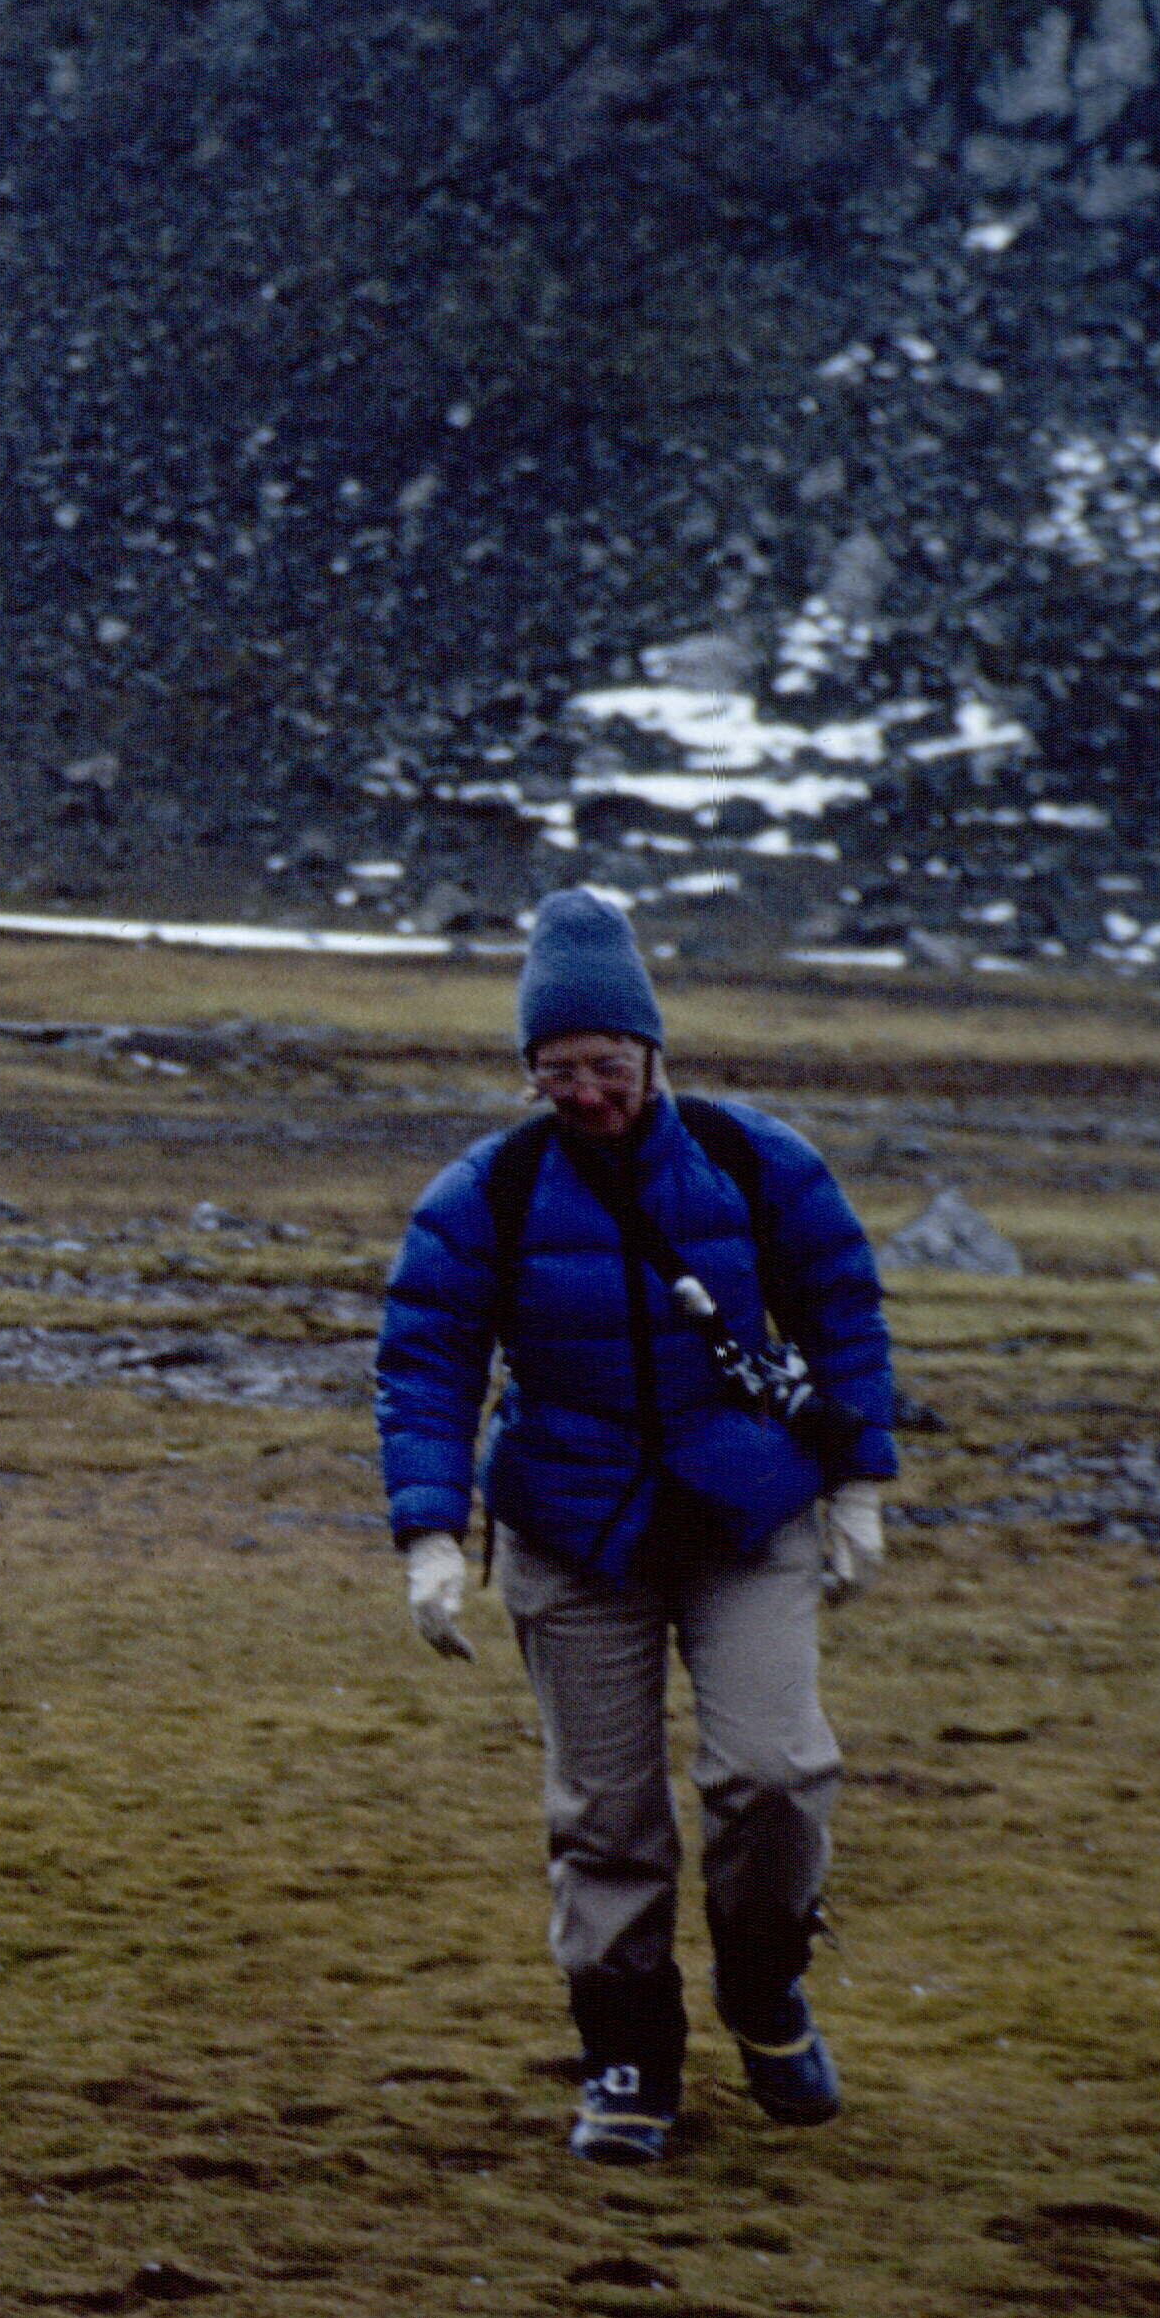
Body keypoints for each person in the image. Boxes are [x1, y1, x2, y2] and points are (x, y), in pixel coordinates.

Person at [373, 888, 897, 2164]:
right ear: (528, 1071)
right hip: (569, 1528)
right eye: (557, 1070)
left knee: (774, 1772)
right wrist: (431, 1535)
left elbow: (843, 1312)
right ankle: (625, 2057)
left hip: (743, 1514)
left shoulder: (754, 1159)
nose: (587, 1091)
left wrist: (858, 1484)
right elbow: (424, 1362)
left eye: (608, 1064)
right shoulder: (485, 1192)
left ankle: (764, 1982)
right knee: (603, 1817)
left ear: (654, 1054)